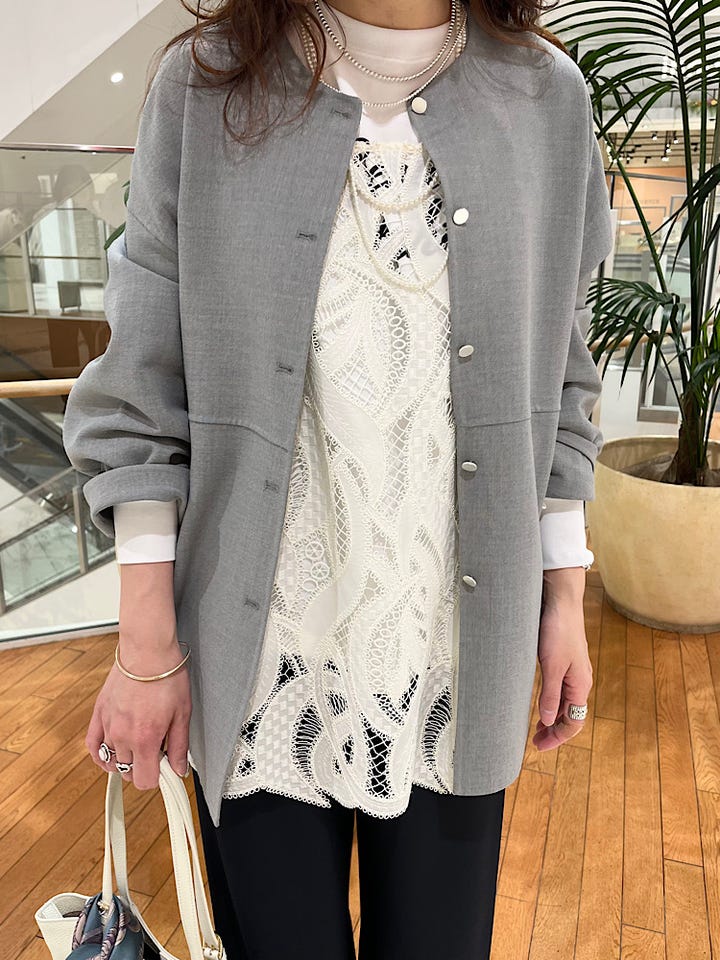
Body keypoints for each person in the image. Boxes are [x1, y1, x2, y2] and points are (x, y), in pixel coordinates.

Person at [63, 1, 612, 957]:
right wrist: (146, 647)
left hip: (454, 645)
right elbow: (143, 380)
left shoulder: (544, 97)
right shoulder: (208, 83)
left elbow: (561, 372)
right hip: (258, 657)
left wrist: (563, 594)